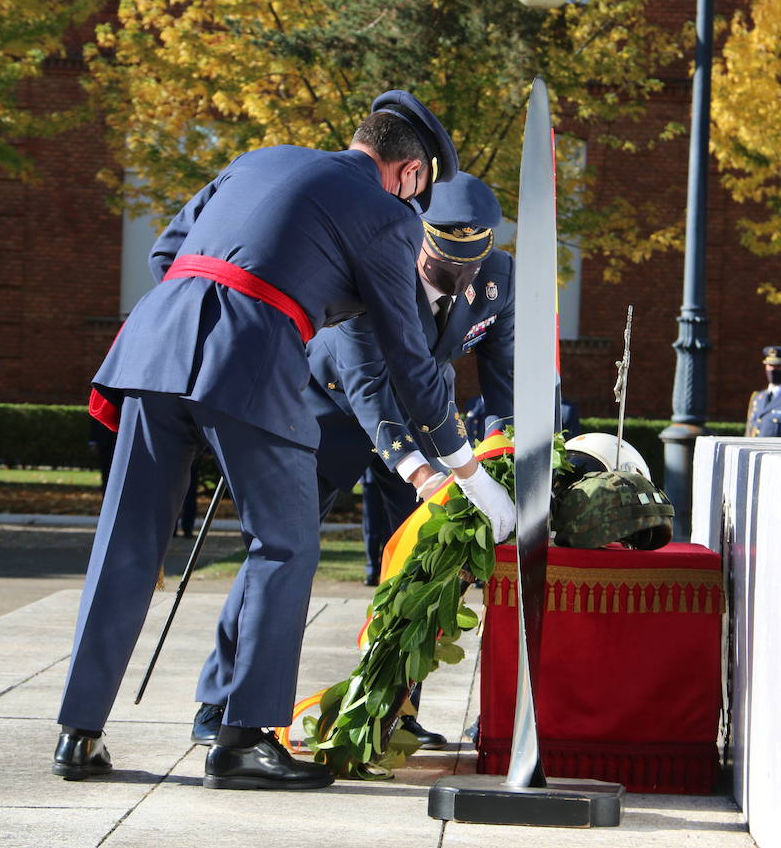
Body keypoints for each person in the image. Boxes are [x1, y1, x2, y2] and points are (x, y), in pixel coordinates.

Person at [53, 91, 516, 792]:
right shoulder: (388, 217)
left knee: (126, 539)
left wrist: (203, 334)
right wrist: (468, 471)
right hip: (254, 356)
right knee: (286, 542)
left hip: (155, 343)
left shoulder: (258, 157)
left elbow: (165, 251)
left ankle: (77, 733)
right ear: (412, 173)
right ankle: (242, 740)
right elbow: (410, 364)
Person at [298, 171, 514, 750]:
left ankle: (396, 705)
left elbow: (504, 381)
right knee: (283, 555)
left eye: (470, 266)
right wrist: (422, 472)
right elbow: (367, 386)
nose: (461, 279)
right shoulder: (378, 265)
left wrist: (502, 456)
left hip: (430, 421)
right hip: (331, 417)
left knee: (418, 571)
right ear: (420, 240)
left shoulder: (496, 277)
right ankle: (224, 702)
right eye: (446, 266)